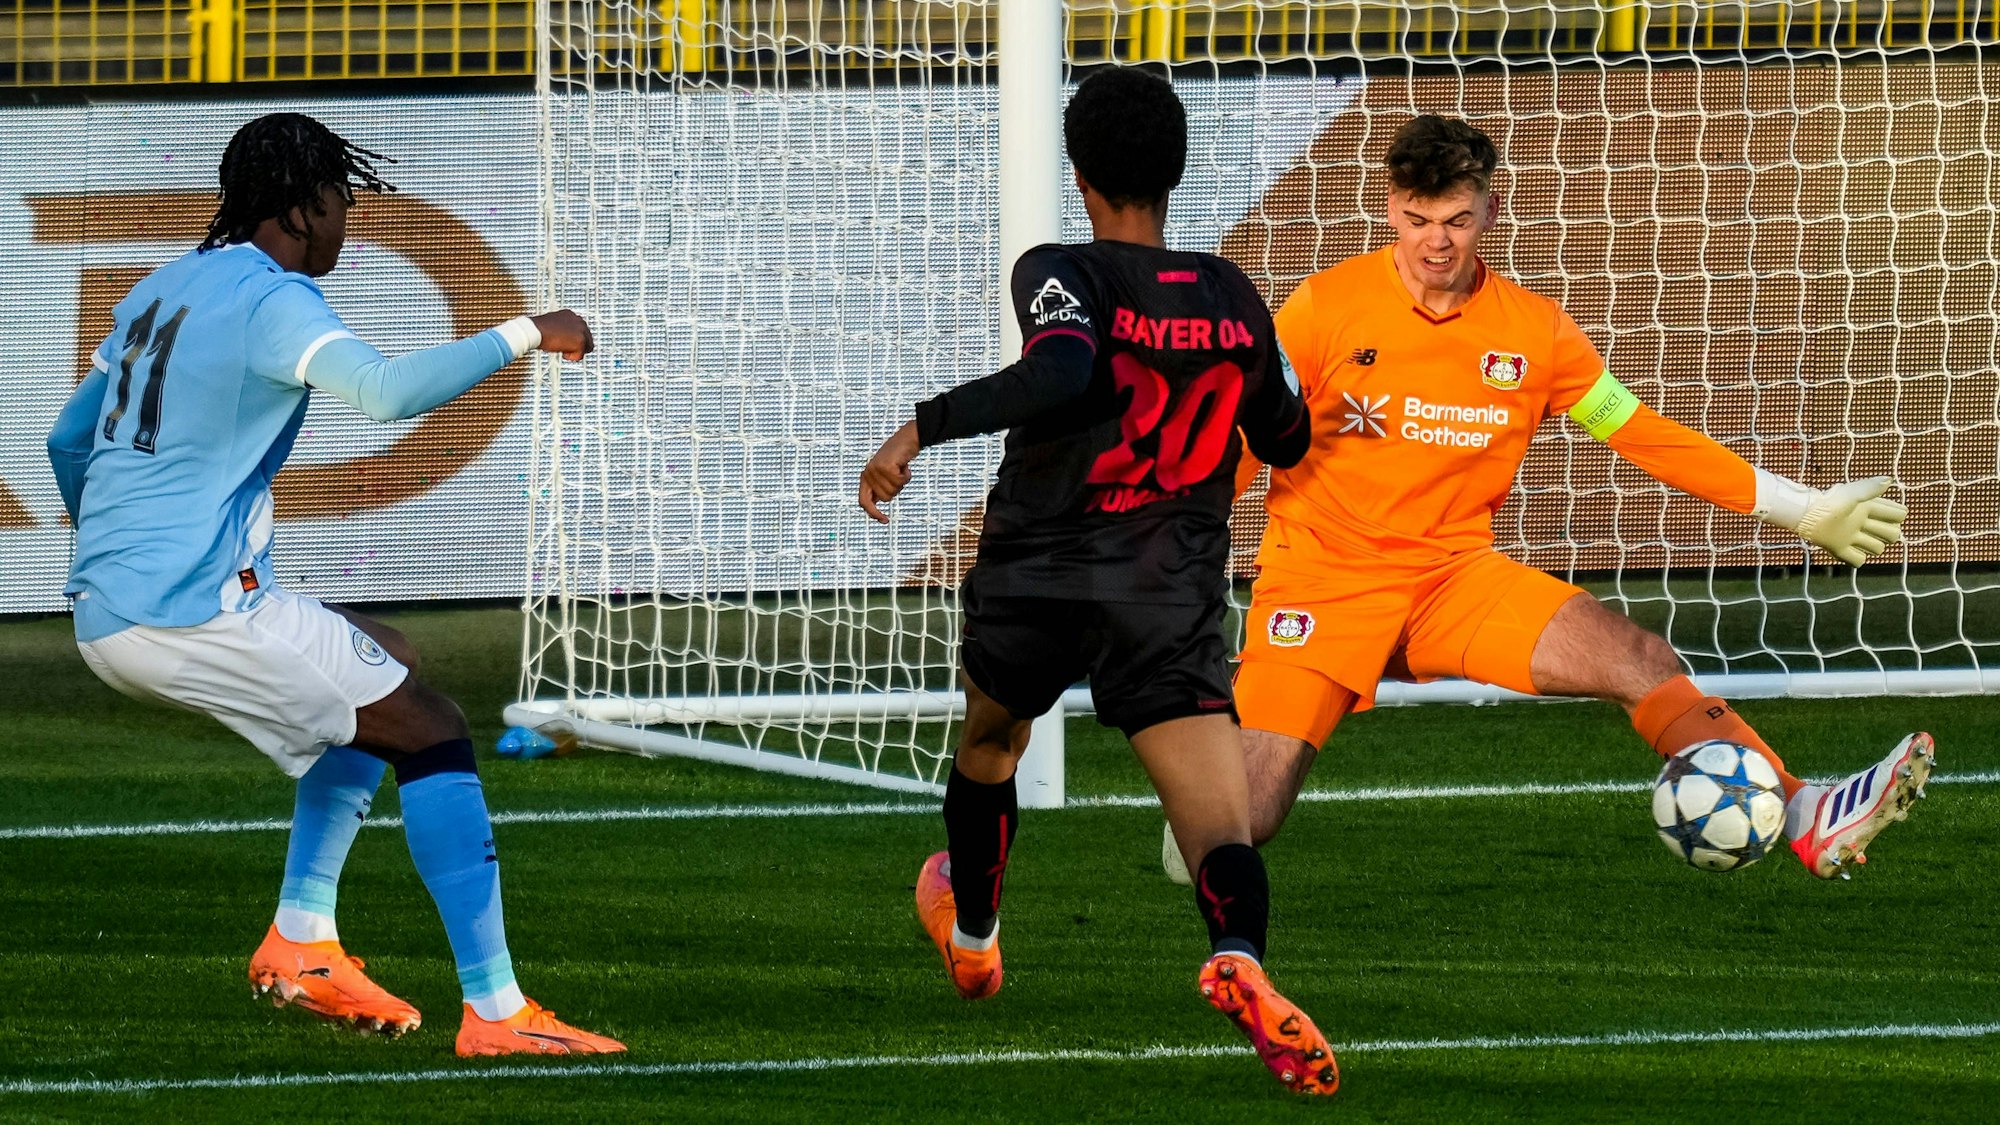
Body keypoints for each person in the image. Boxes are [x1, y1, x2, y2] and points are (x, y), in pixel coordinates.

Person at [1163, 115, 1930, 886]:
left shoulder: (1536, 333)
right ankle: (1204, 787)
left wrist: (1802, 510)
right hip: (1324, 582)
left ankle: (1805, 812)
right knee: (1240, 819)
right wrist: (1173, 556)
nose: (1437, 242)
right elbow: (1242, 440)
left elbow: (1643, 434)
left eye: (1458, 220)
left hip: (1454, 582)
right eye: (1419, 219)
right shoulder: (1324, 308)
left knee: (1639, 658)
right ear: (1391, 207)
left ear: (1490, 210)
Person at [46, 113, 624, 1057]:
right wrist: (528, 329)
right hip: (185, 610)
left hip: (112, 606)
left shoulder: (163, 286)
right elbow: (387, 393)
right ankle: (497, 1013)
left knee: (386, 662)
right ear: (303, 208)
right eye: (342, 202)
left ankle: (304, 936)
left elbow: (67, 441)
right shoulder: (273, 299)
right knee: (430, 726)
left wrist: (120, 553)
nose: (347, 223)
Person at [858, 68, 1335, 1096]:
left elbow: (1065, 368)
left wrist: (920, 426)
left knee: (991, 745)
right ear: (1176, 174)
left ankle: (974, 937)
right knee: (1217, 825)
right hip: (1162, 590)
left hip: (1038, 574)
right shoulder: (1232, 296)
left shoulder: (1060, 271)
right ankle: (1239, 958)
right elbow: (1287, 438)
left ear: (1078, 176)